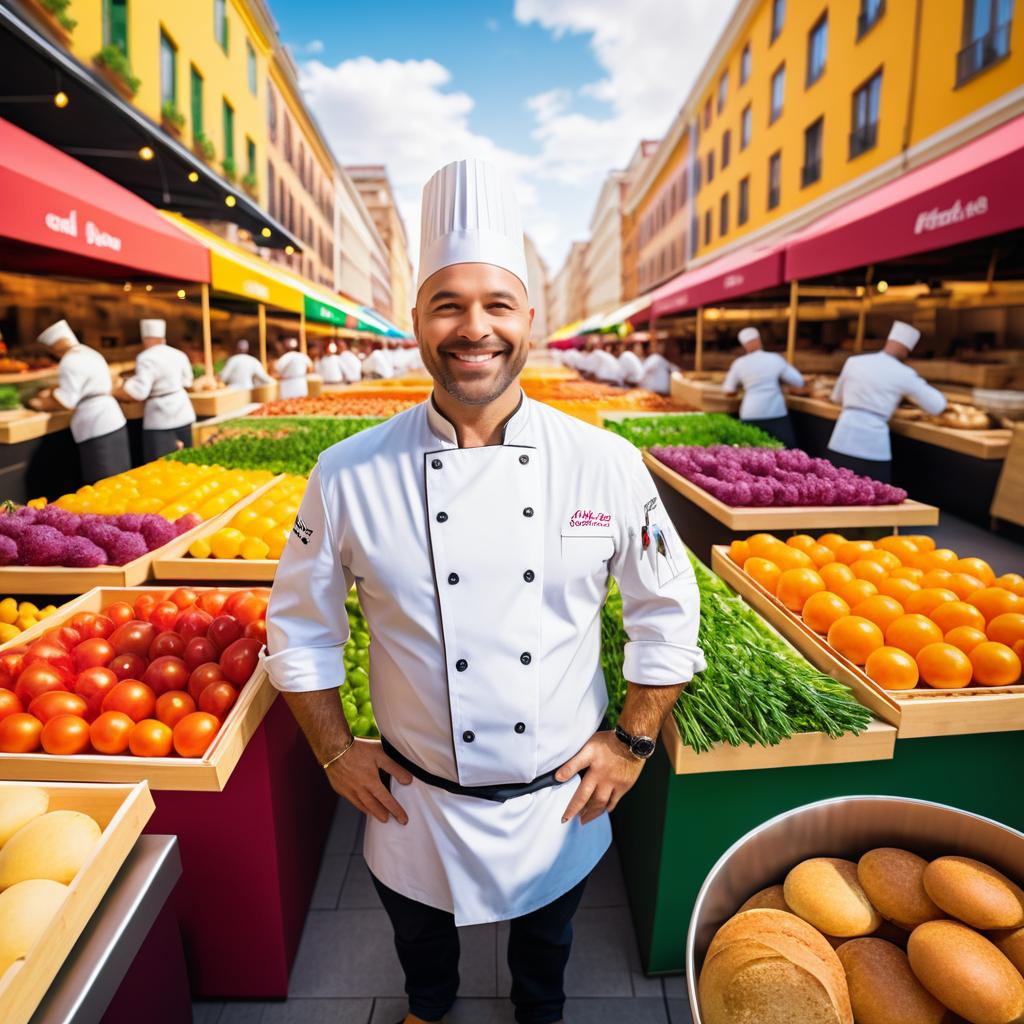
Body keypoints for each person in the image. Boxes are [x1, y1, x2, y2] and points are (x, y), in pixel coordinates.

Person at [264, 156, 704, 1024]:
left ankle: (539, 1011)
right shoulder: (348, 471)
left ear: (529, 319)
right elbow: (300, 628)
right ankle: (430, 1006)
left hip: (558, 798)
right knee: (418, 937)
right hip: (413, 801)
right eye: (449, 305)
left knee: (550, 941)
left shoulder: (605, 463)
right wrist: (331, 748)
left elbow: (666, 611)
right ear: (417, 320)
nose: (475, 329)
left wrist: (633, 743)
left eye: (497, 304)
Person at [827, 320, 947, 484]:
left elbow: (836, 398)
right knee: (876, 503)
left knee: (834, 496)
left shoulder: (854, 362)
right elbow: (937, 405)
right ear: (906, 350)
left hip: (841, 440)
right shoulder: (904, 373)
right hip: (873, 448)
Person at [27, 319, 130, 484]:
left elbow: (67, 401)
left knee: (101, 484)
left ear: (56, 346)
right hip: (114, 418)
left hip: (96, 425)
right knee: (119, 480)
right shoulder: (90, 353)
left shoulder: (70, 360)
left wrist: (39, 403)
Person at [115, 319, 195, 462]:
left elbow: (140, 392)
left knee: (159, 465)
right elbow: (188, 382)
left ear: (146, 339)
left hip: (160, 418)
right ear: (162, 338)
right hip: (183, 412)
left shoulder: (146, 358)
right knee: (186, 461)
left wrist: (118, 387)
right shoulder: (179, 354)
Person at [721, 326, 804, 447]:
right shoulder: (775, 358)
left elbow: (728, 391)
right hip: (776, 413)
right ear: (759, 340)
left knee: (751, 456)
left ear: (744, 345)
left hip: (750, 414)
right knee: (785, 453)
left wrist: (742, 389)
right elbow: (798, 381)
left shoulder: (739, 363)